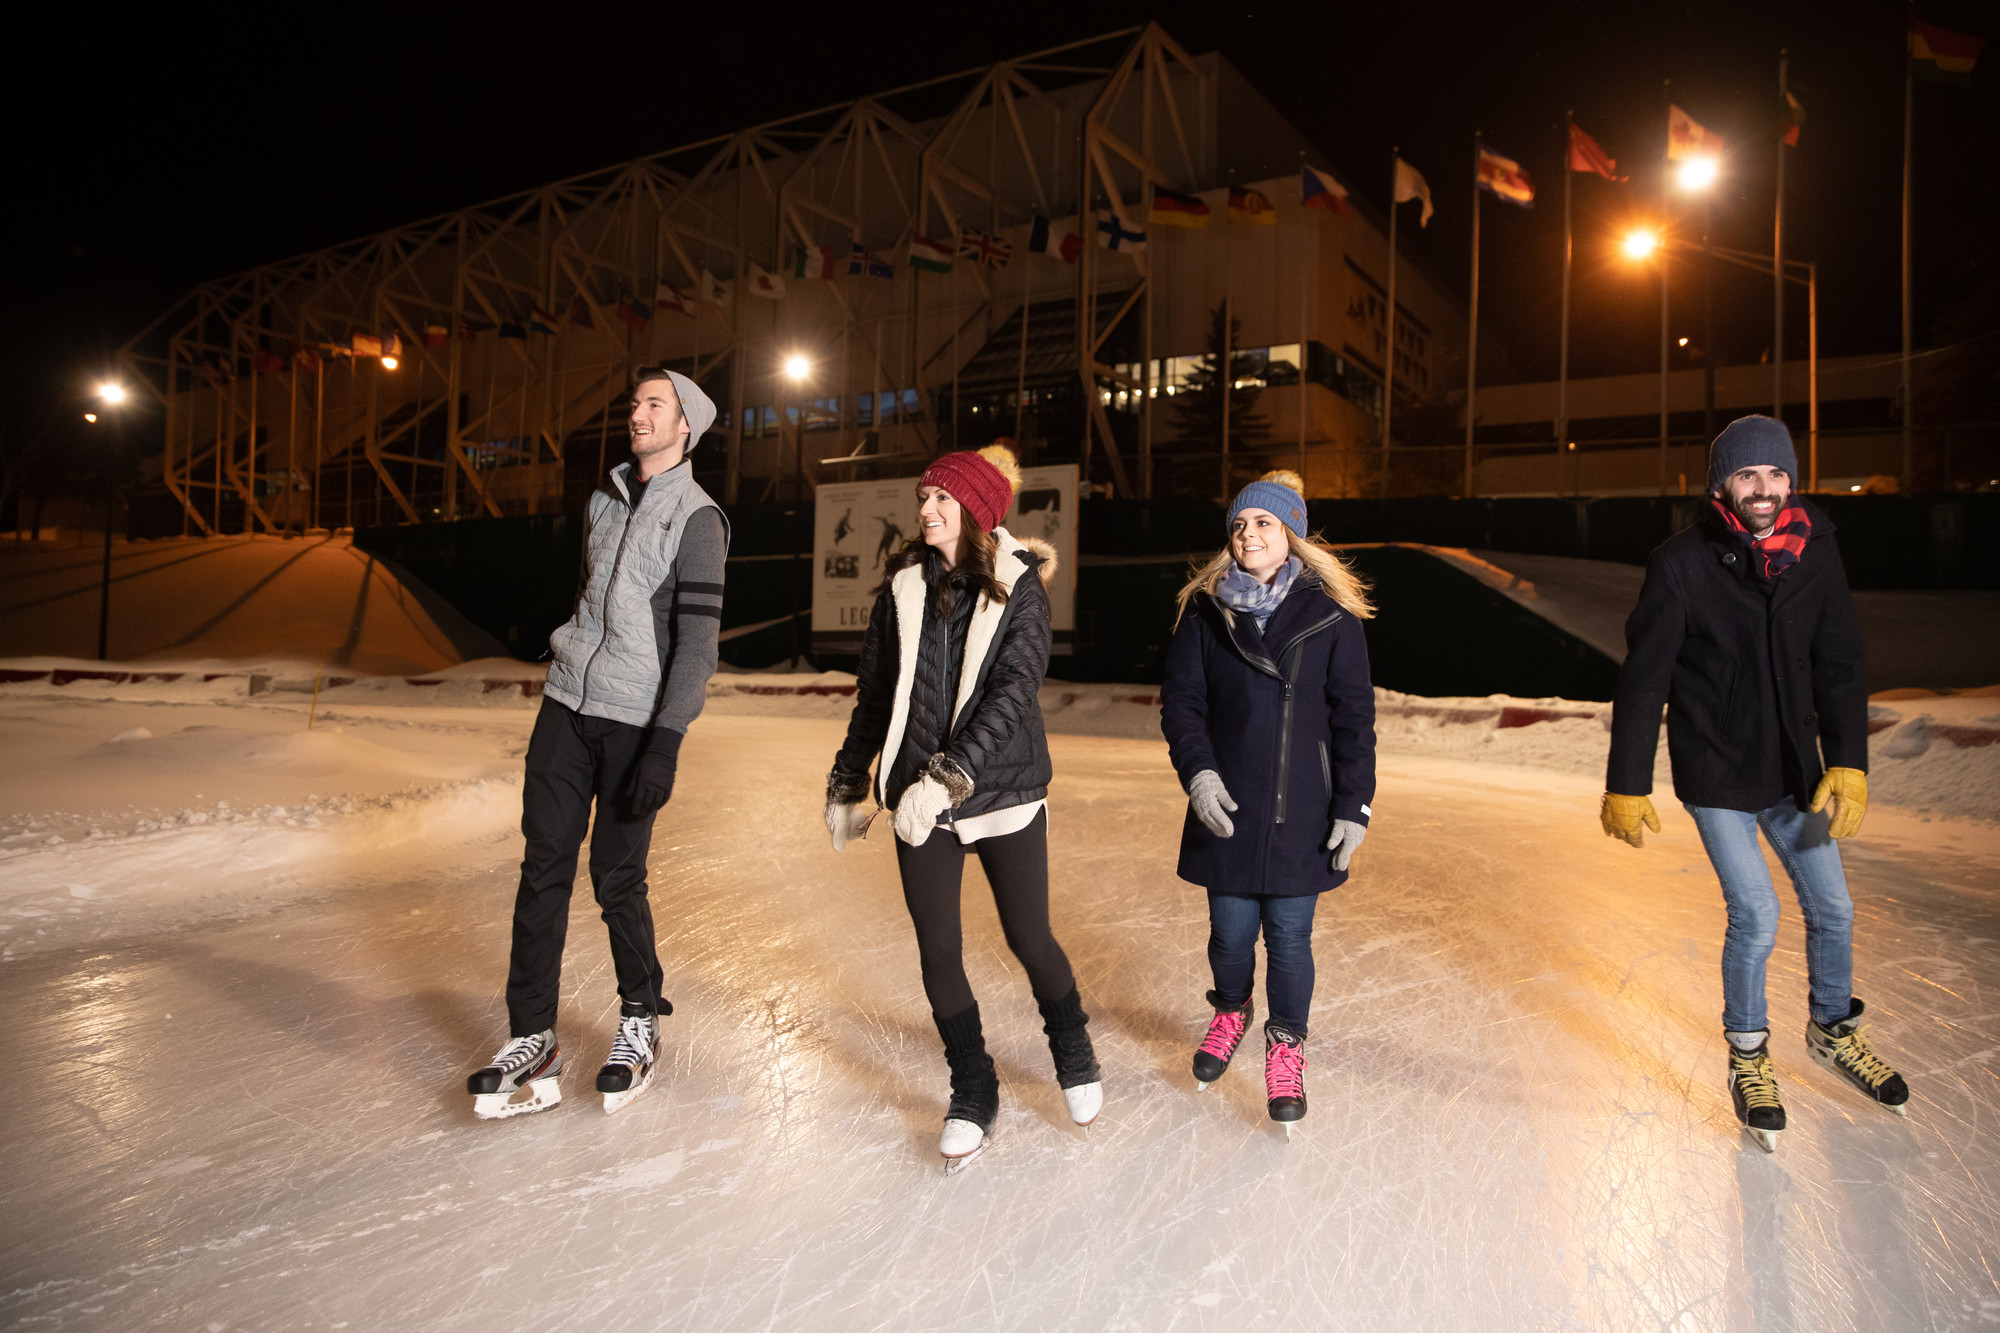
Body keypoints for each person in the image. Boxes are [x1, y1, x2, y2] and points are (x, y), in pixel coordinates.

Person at [1601, 415, 1908, 1153]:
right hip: (1716, 769)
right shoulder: (1680, 563)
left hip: (1791, 768)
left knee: (1834, 905)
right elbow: (1645, 680)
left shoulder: (1816, 549)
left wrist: (1849, 759)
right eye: (1748, 476)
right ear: (1721, 486)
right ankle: (1748, 1055)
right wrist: (1627, 779)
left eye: (1775, 475)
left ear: (1790, 481)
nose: (1763, 489)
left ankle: (1833, 1030)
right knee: (1758, 913)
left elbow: (1839, 659)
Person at [823, 444, 1100, 1173]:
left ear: (976, 509)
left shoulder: (1018, 584)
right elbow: (876, 695)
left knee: (1028, 936)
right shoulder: (902, 587)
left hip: (1000, 791)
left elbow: (1013, 693)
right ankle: (973, 1083)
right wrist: (851, 780)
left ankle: (1070, 1042)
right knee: (938, 949)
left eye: (942, 498)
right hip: (919, 797)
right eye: (924, 497)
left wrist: (950, 777)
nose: (925, 510)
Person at [464, 367, 728, 1120]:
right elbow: (592, 598)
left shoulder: (699, 520)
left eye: (654, 405)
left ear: (685, 426)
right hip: (565, 702)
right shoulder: (602, 500)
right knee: (541, 865)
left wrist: (666, 742)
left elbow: (696, 647)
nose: (636, 413)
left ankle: (639, 1020)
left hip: (633, 720)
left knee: (617, 876)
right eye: (635, 402)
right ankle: (531, 1034)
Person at [1158, 470, 1376, 1132]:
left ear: (1292, 537)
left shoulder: (1332, 620)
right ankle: (1230, 1009)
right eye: (1240, 524)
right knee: (1229, 933)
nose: (1248, 533)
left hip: (1301, 808)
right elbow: (1183, 705)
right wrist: (1198, 773)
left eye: (1264, 522)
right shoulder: (1206, 613)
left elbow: (1354, 720)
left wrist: (1354, 805)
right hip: (1226, 805)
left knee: (1288, 936)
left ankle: (1285, 1045)